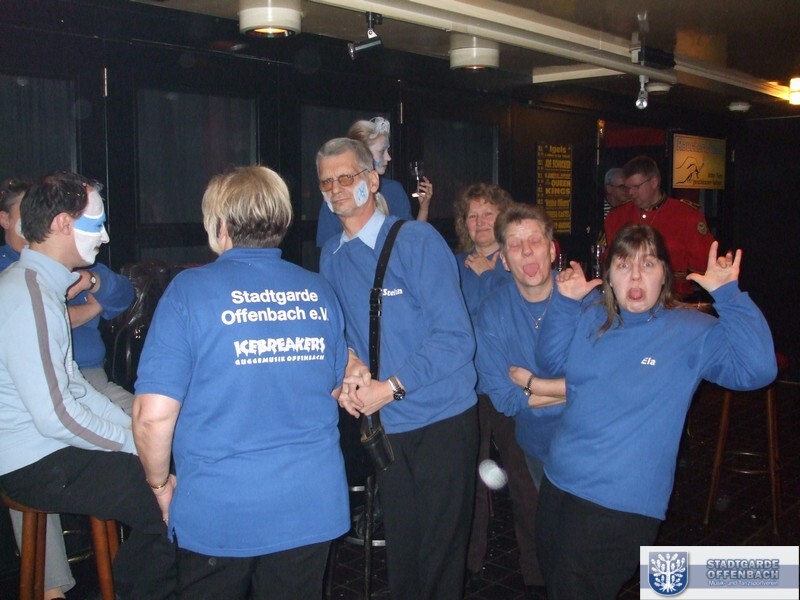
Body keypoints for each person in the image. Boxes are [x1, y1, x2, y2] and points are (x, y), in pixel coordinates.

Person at [133, 165, 350, 599]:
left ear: (220, 224)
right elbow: (330, 385)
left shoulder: (189, 291)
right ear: (281, 221)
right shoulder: (318, 290)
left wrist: (159, 486)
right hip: (310, 503)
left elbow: (152, 417)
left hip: (221, 509)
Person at [534, 224, 777, 599]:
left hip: (619, 503)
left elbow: (757, 371)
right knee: (555, 585)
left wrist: (729, 295)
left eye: (647, 264)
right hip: (558, 484)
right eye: (623, 264)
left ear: (664, 274)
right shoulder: (593, 315)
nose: (635, 276)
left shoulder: (689, 330)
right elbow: (549, 362)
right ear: (609, 276)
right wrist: (564, 303)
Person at [0, 171, 176, 599]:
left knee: (168, 483)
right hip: (32, 463)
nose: (105, 236)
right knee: (174, 507)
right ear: (63, 224)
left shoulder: (38, 284)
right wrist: (134, 445)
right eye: (97, 224)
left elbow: (74, 385)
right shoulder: (31, 295)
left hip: (44, 449)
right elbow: (57, 415)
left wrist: (133, 434)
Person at [317, 137, 477, 600]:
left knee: (440, 555)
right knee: (403, 550)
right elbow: (342, 334)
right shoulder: (331, 255)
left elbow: (456, 339)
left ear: (372, 180)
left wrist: (389, 388)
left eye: (346, 177)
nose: (336, 189)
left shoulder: (416, 240)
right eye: (326, 182)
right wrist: (347, 373)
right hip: (387, 425)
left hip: (441, 418)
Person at [453, 185, 543, 595]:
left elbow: (516, 311)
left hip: (510, 383)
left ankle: (537, 571)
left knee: (523, 480)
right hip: (467, 386)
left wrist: (490, 276)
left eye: (488, 214)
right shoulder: (453, 265)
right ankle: (470, 562)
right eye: (472, 215)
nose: (480, 222)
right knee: (468, 479)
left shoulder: (516, 264)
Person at [0, 178, 136, 414]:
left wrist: (91, 281)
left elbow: (125, 295)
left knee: (154, 421)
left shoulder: (74, 262)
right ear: (5, 219)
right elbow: (39, 318)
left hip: (92, 379)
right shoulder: (13, 278)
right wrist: (94, 307)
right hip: (36, 393)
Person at [0, 178, 75, 599]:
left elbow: (119, 294)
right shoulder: (16, 275)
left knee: (150, 423)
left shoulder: (61, 261)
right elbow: (41, 331)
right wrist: (81, 309)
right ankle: (51, 588)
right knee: (32, 448)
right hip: (24, 402)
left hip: (85, 376)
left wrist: (94, 291)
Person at [474, 203, 567, 489]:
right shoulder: (492, 311)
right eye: (515, 245)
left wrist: (532, 384)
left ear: (551, 250)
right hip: (536, 445)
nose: (526, 251)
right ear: (504, 260)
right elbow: (505, 399)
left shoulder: (582, 301)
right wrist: (572, 391)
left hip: (592, 440)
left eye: (535, 241)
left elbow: (601, 385)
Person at [604, 155, 714, 298]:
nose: (630, 193)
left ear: (654, 182)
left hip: (674, 298)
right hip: (628, 297)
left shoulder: (687, 215)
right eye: (627, 187)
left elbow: (703, 267)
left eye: (636, 187)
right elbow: (608, 262)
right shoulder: (616, 217)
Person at [315, 116, 433, 246]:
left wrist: (424, 208)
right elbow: (329, 249)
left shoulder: (394, 190)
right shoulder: (337, 195)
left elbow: (412, 241)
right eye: (382, 151)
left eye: (388, 151)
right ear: (362, 153)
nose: (388, 157)